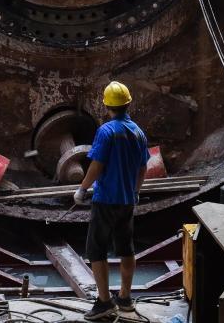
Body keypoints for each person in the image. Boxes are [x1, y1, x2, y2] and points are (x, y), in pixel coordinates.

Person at [74, 81, 150, 320]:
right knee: (126, 248)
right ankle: (125, 298)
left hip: (106, 199)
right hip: (127, 201)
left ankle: (105, 302)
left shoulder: (106, 131)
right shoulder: (138, 133)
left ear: (106, 105)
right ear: (128, 104)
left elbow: (97, 165)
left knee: (96, 250)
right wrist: (135, 192)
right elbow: (143, 168)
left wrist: (82, 189)